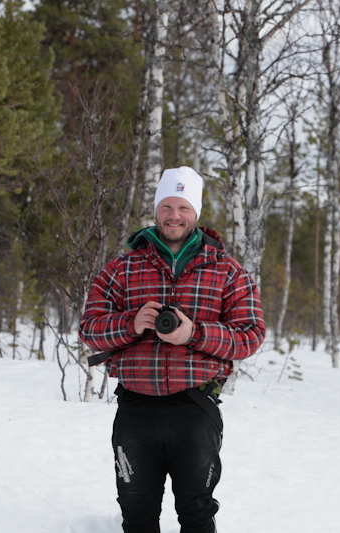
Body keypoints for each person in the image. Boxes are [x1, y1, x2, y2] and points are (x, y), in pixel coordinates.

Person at [79, 166, 266, 533]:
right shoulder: (122, 268)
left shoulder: (228, 271)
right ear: (156, 209)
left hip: (194, 408)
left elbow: (251, 335)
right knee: (136, 510)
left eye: (183, 207)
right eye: (167, 206)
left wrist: (194, 334)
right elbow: (89, 328)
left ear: (195, 211)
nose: (174, 215)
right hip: (135, 409)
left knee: (197, 510)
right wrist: (130, 324)